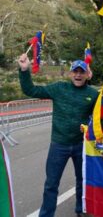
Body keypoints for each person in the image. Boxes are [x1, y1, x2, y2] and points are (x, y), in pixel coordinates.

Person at [18, 53, 98, 217]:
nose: (77, 75)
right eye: (74, 71)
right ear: (70, 73)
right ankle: (46, 214)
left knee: (82, 181)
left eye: (81, 72)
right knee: (51, 184)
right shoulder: (59, 88)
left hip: (81, 145)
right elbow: (31, 90)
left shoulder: (93, 93)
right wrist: (24, 70)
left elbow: (100, 117)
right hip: (59, 145)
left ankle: (80, 209)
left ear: (86, 74)